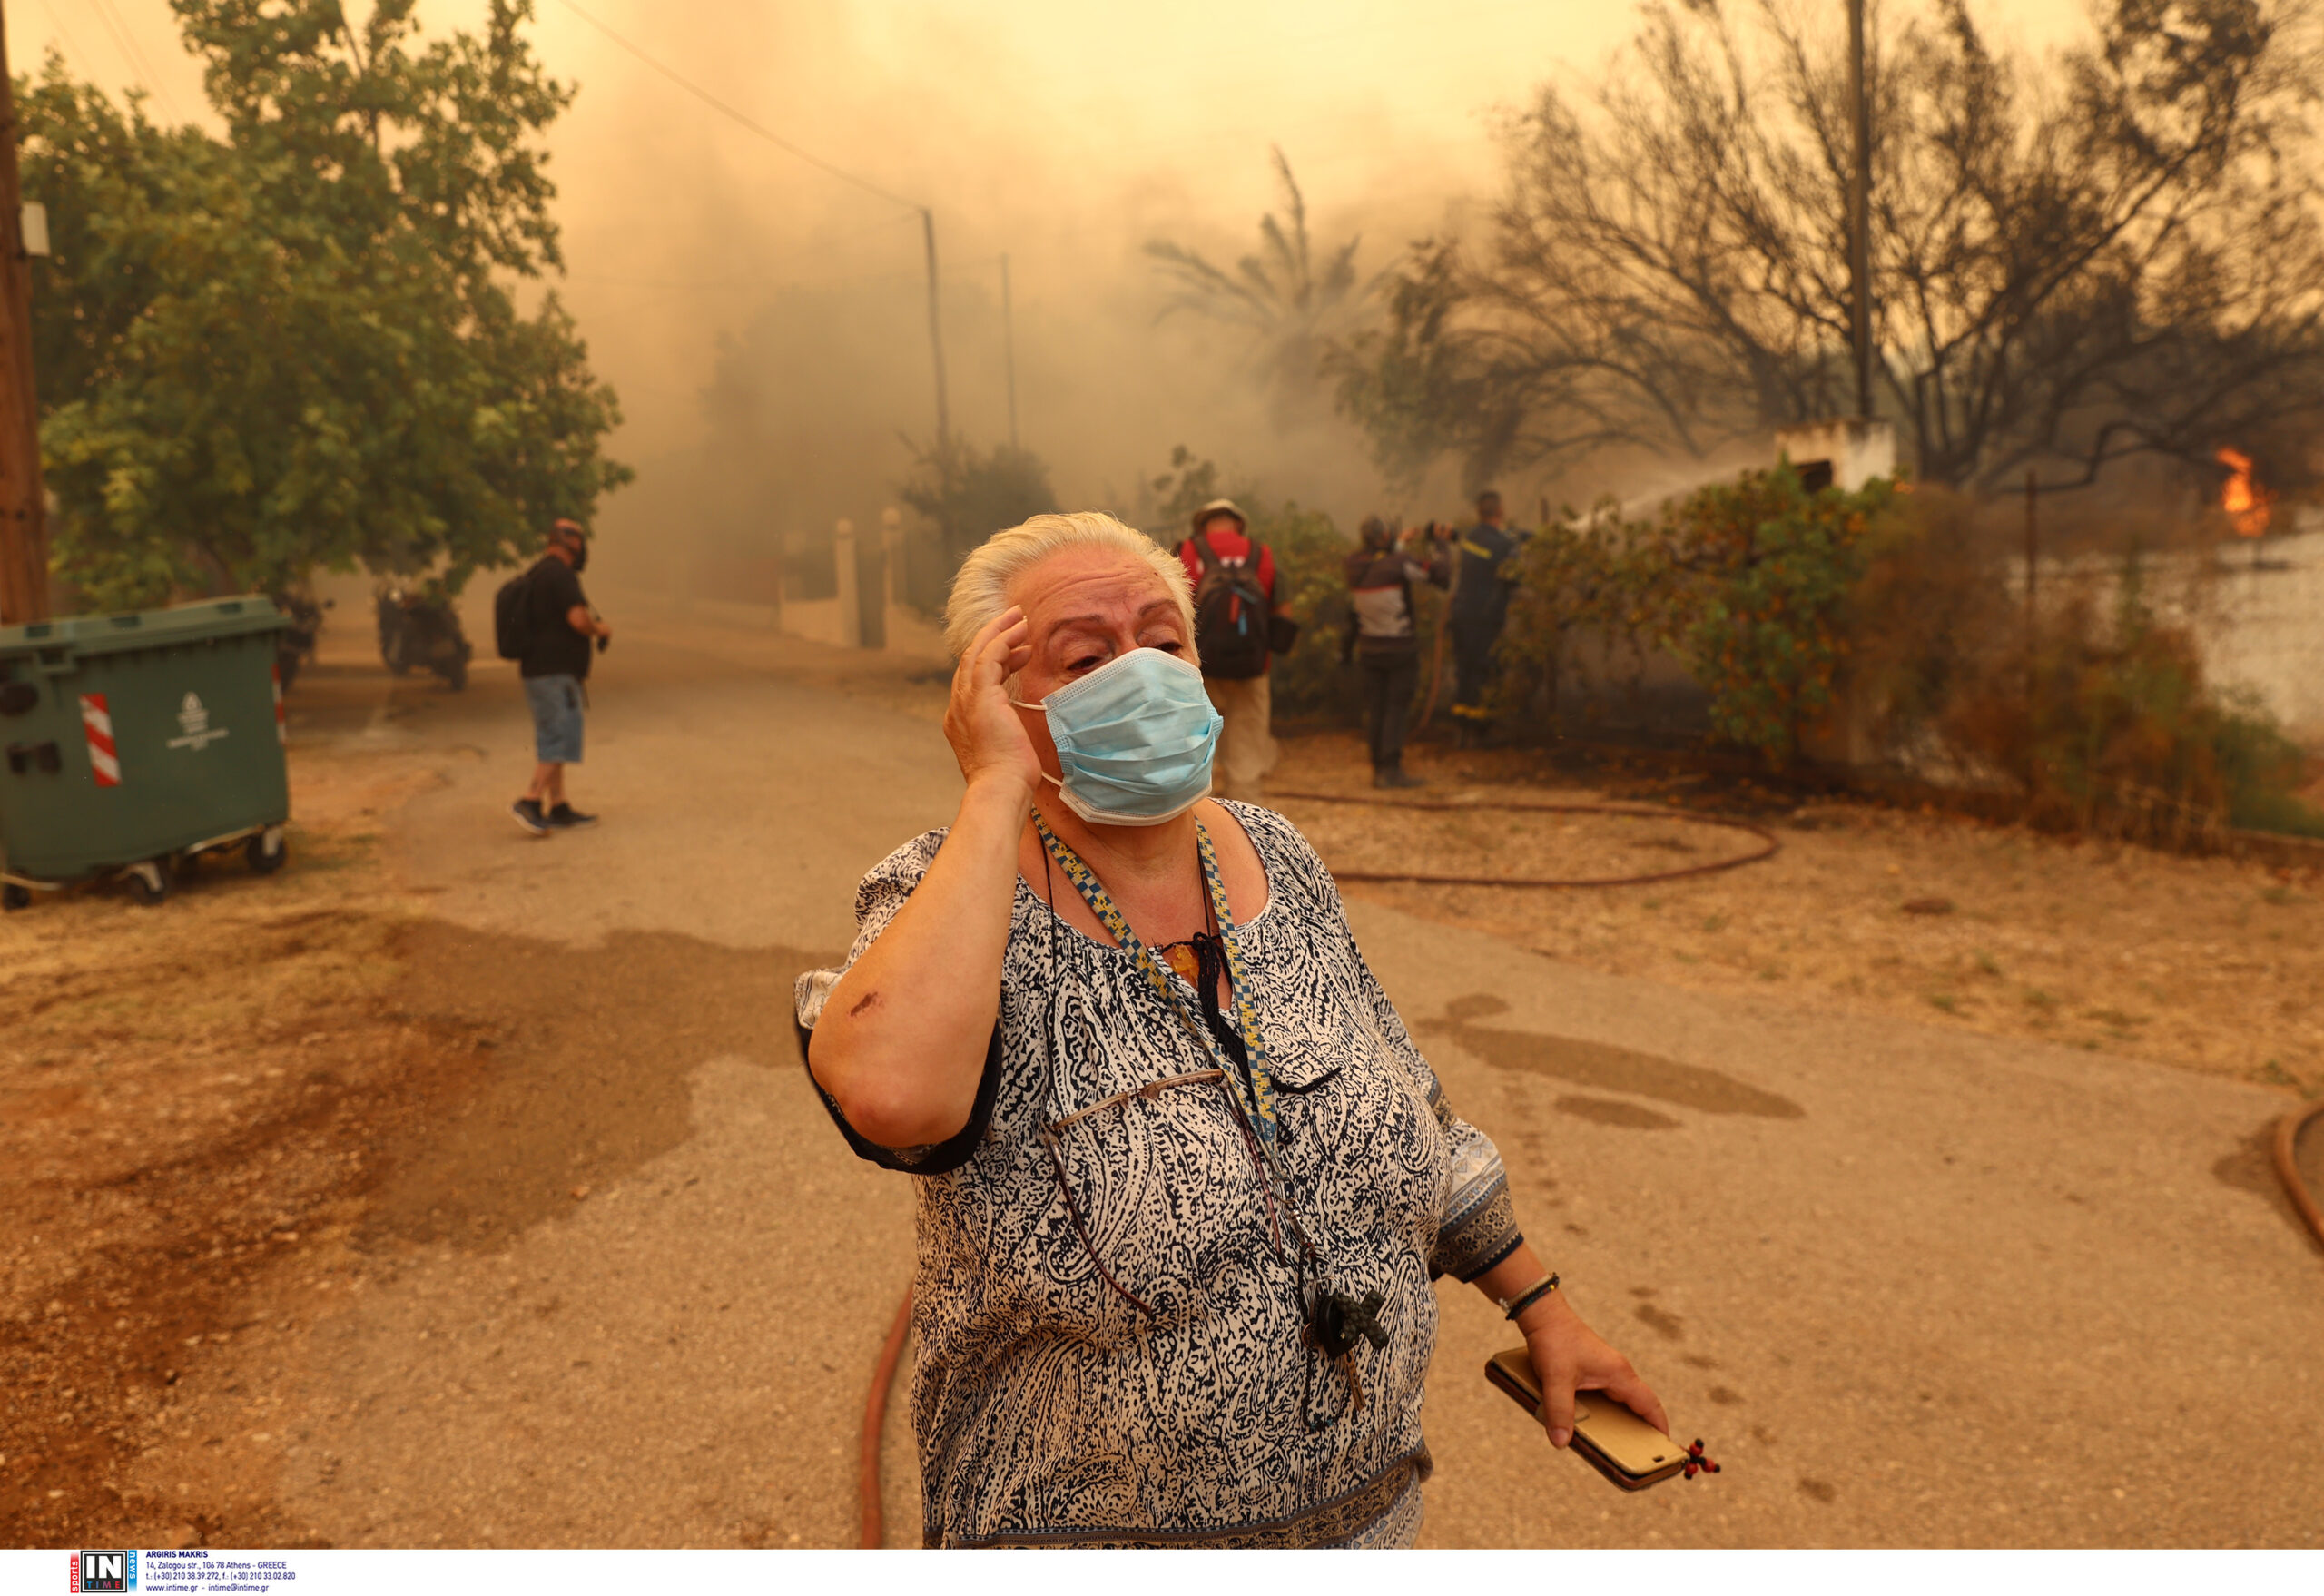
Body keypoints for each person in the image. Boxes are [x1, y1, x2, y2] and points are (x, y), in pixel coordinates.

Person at [795, 510, 1667, 1548]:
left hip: (1365, 1523)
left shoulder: (1273, 852)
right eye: (1087, 656)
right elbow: (894, 1094)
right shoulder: (944, 895)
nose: (1142, 674)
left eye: (1165, 643)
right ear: (997, 698)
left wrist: (1544, 1308)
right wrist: (993, 787)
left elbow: (1405, 1101)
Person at [1174, 498, 1283, 802]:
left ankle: (1198, 820)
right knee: (1246, 751)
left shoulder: (1186, 551)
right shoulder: (1263, 554)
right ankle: (1245, 824)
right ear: (1238, 523)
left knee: (1195, 750)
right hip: (1252, 668)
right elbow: (1282, 613)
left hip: (1197, 670)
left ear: (1202, 524)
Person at [510, 518, 612, 835]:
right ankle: (529, 800)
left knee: (551, 737)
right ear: (571, 543)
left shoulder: (540, 572)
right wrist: (600, 629)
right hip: (554, 674)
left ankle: (559, 806)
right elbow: (578, 619)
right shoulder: (560, 575)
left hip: (539, 671)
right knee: (562, 737)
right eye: (580, 540)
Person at [1344, 516, 1452, 789]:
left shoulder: (1354, 564)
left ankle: (1379, 768)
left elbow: (1380, 563)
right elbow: (1441, 576)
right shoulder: (1399, 563)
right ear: (1383, 539)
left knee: (1377, 709)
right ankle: (1391, 771)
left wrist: (1397, 545)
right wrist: (1441, 543)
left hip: (1369, 649)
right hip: (1399, 649)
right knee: (1395, 709)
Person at [1448, 489, 1527, 748]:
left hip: (1462, 615)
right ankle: (1481, 733)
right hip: (1485, 618)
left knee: (1466, 672)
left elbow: (1490, 549)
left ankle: (1461, 732)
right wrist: (1515, 551)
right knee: (1486, 672)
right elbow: (1513, 577)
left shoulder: (1472, 537)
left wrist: (1512, 538)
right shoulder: (1504, 545)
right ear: (1500, 512)